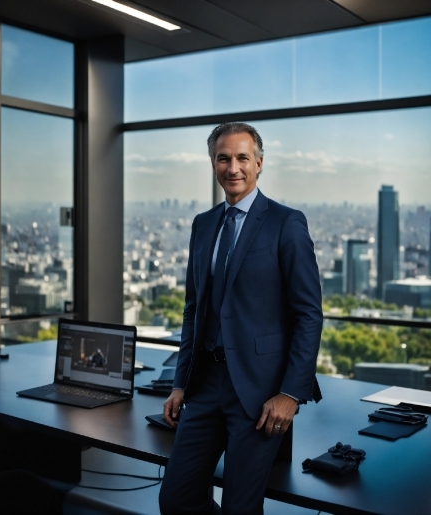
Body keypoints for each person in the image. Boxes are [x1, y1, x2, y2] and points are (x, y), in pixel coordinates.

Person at [159, 122, 323, 515]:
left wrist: (290, 394)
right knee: (176, 499)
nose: (233, 168)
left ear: (259, 163)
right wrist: (180, 382)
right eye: (223, 158)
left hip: (259, 390)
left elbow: (308, 314)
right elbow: (193, 309)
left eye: (242, 158)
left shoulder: (287, 223)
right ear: (213, 164)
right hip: (204, 385)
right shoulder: (204, 224)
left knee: (240, 508)